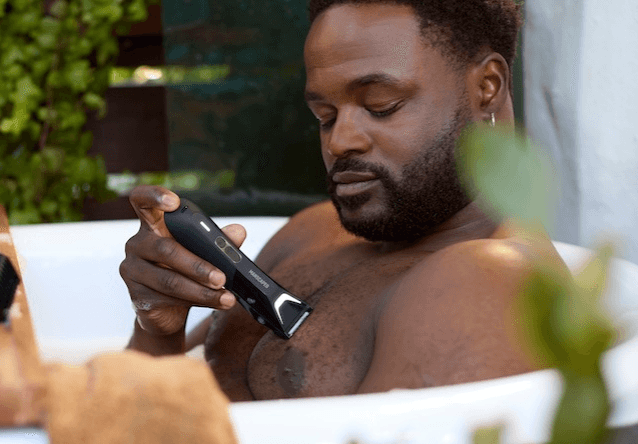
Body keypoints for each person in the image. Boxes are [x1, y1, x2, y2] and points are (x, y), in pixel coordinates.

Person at [120, 0, 567, 401]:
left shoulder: (483, 285)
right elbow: (144, 418)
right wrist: (159, 328)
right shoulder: (311, 231)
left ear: (486, 86)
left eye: (381, 105)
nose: (340, 140)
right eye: (324, 116)